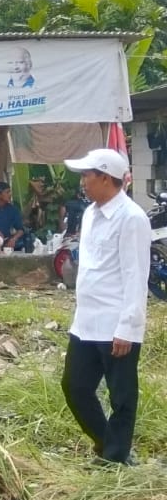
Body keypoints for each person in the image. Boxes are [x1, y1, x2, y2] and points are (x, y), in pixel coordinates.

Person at [60, 147, 148, 466]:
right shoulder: (90, 213)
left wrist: (128, 326)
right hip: (86, 323)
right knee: (75, 387)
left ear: (106, 178)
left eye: (87, 175)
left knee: (121, 397)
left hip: (116, 324)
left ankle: (115, 458)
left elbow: (135, 275)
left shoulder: (132, 218)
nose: (83, 182)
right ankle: (108, 442)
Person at [0, 180, 32, 252]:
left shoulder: (13, 209)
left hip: (7, 241)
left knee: (30, 239)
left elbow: (20, 229)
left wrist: (14, 239)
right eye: (7, 192)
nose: (10, 194)